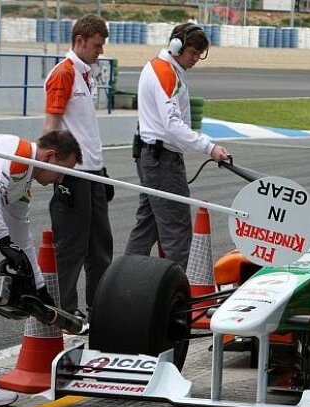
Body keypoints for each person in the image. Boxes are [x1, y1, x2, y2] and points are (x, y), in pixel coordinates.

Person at [124, 24, 229, 270]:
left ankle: (122, 278)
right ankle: (178, 292)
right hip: (162, 160)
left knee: (147, 225)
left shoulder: (164, 68)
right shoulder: (165, 72)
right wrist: (209, 147)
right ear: (177, 46)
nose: (195, 60)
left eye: (199, 55)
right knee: (177, 230)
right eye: (193, 53)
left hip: (152, 155)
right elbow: (172, 124)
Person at [0, 130, 82, 407]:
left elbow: (22, 233)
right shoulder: (16, 155)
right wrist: (4, 243)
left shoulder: (23, 182)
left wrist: (39, 284)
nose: (60, 180)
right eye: (61, 171)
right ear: (50, 156)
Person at [43, 14, 113, 320]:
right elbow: (51, 127)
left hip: (94, 172)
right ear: (79, 41)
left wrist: (100, 166)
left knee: (100, 248)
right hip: (72, 175)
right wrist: (50, 170)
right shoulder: (64, 73)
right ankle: (63, 311)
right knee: (71, 247)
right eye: (96, 46)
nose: (100, 51)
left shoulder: (87, 73)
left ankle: (98, 309)